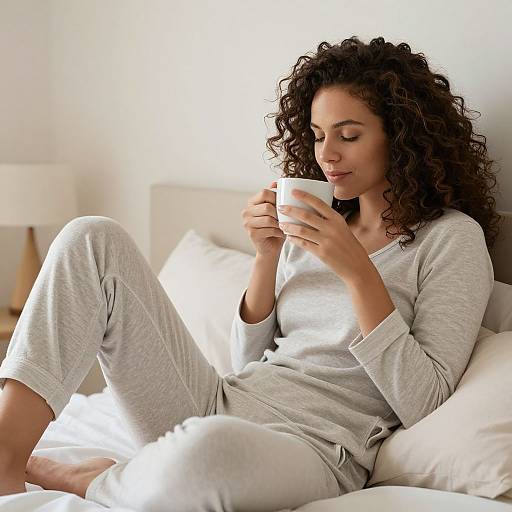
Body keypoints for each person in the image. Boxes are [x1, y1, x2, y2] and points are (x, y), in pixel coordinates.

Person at [0, 35, 502, 511]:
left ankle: (90, 480)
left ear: (403, 135)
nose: (327, 155)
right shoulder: (318, 221)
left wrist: (359, 274)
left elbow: (425, 402)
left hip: (316, 448)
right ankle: (6, 458)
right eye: (319, 135)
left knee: (209, 449)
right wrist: (265, 256)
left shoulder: (451, 240)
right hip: (222, 401)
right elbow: (249, 361)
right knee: (92, 237)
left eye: (348, 135)